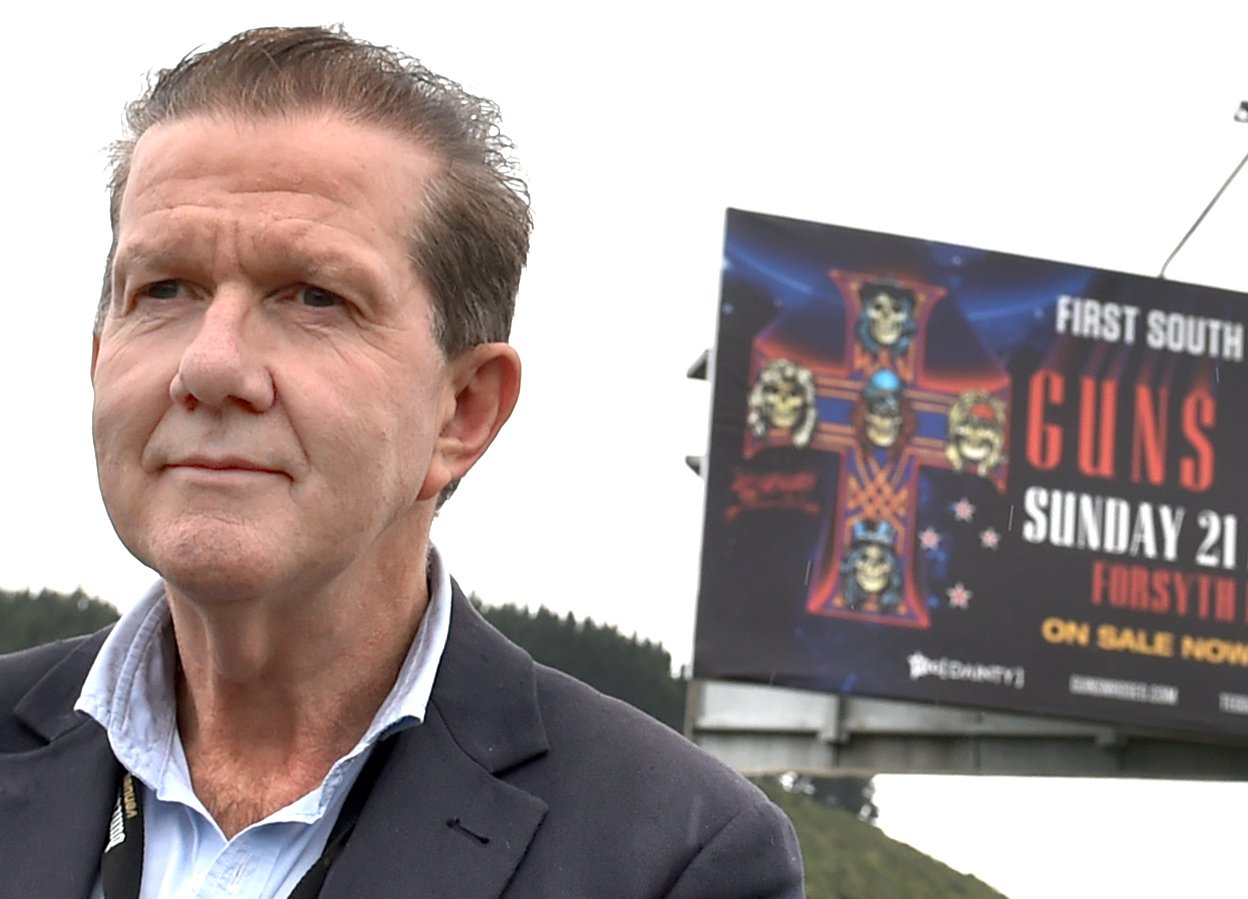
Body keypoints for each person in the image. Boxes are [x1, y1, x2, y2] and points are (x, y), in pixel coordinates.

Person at [0, 25, 802, 898]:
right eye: (163, 290)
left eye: (313, 296)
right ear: (98, 358)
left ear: (463, 410)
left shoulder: (674, 860)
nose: (210, 364)